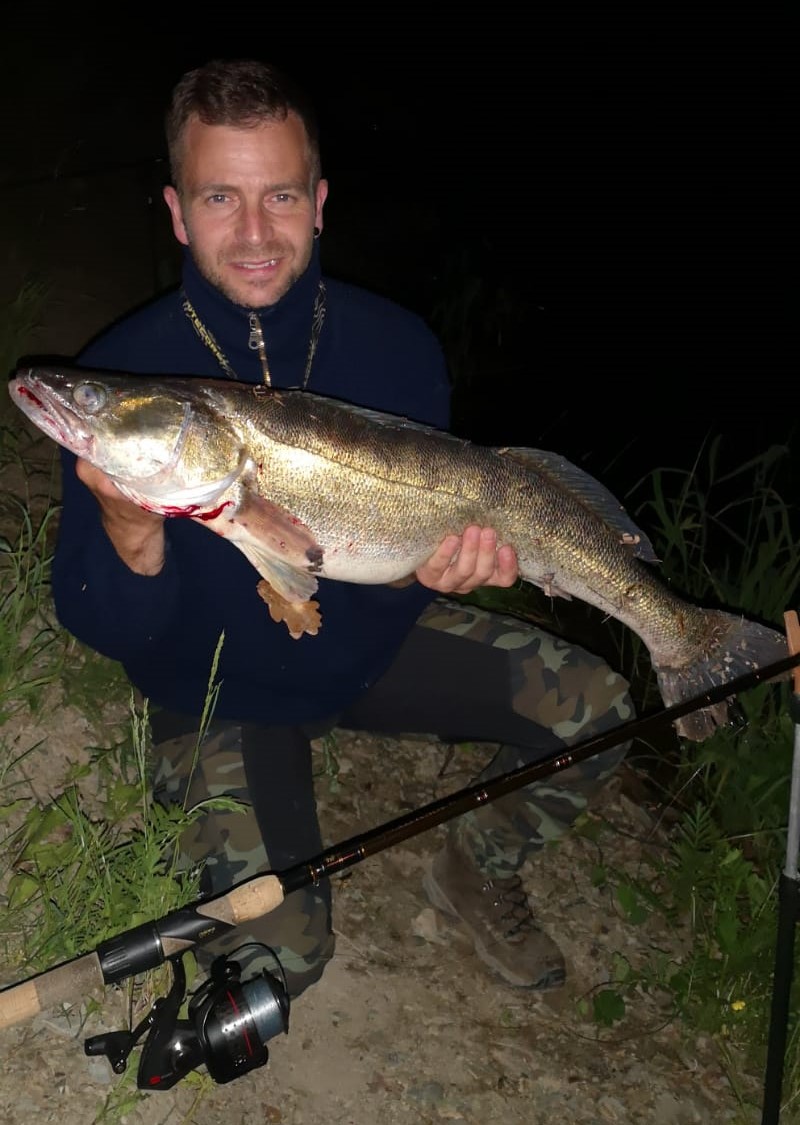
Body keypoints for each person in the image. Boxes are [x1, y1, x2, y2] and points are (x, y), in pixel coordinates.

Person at [51, 58, 633, 1001]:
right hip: (218, 688)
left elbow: (390, 558)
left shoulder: (398, 347)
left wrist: (432, 573)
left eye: (279, 195)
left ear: (319, 202)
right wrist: (127, 530)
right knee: (278, 962)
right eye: (219, 198)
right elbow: (103, 625)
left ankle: (475, 868)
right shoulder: (125, 379)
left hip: (366, 652)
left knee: (603, 706)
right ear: (175, 210)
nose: (253, 233)